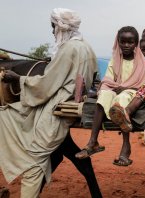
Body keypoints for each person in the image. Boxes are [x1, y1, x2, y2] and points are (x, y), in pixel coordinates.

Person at [0, 8, 97, 198]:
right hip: (68, 103)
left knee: (31, 159)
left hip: (55, 109)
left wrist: (17, 79)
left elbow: (46, 84)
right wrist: (54, 62)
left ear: (61, 27)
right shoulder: (85, 46)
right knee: (6, 114)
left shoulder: (69, 49)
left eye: (53, 27)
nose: (53, 32)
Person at [75, 26, 145, 167]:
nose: (126, 45)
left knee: (121, 99)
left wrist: (126, 88)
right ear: (118, 42)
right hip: (115, 88)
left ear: (136, 43)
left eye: (130, 42)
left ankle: (125, 147)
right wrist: (115, 87)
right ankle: (93, 142)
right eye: (123, 42)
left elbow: (144, 84)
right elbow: (108, 79)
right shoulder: (115, 59)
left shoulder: (141, 62)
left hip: (132, 92)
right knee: (104, 95)